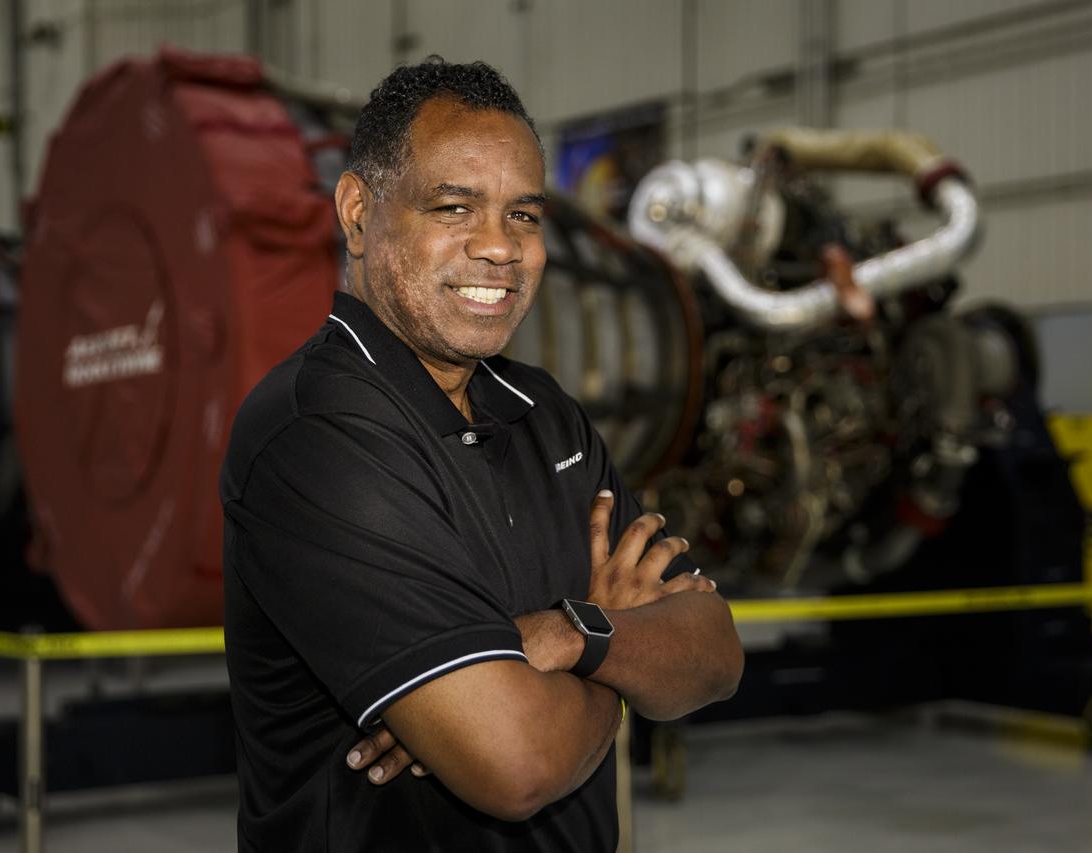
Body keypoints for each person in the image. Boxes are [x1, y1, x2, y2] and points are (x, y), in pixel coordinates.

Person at [220, 57, 744, 852]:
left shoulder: (546, 415)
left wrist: (575, 635)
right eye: (454, 206)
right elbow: (516, 762)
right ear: (358, 214)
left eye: (525, 216)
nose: (500, 248)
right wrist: (621, 654)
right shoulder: (316, 439)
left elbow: (714, 652)